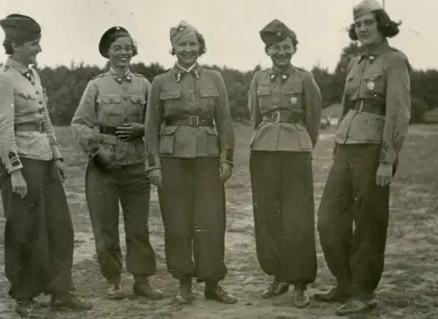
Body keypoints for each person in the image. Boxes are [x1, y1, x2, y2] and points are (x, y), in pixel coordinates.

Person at [0, 13, 92, 317]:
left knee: (60, 227)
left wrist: (56, 156)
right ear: (16, 44)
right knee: (24, 230)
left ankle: (61, 291)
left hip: (44, 160)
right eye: (34, 44)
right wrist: (15, 171)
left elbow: (44, 118)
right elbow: (2, 131)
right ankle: (23, 296)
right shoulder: (2, 79)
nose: (39, 49)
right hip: (20, 162)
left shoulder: (33, 75)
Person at [314, 0, 411, 316]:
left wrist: (387, 158)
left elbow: (397, 112)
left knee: (369, 223)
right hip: (348, 146)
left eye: (368, 23)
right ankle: (344, 282)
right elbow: (346, 106)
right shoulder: (355, 63)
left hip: (374, 150)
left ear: (382, 24)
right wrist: (339, 143)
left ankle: (364, 291)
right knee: (328, 220)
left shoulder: (394, 61)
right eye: (358, 25)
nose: (362, 28)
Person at [144, 20, 237, 305]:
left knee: (211, 221)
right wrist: (154, 165)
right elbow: (151, 126)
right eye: (182, 44)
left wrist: (226, 158)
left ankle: (212, 283)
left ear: (200, 47)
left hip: (208, 159)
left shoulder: (215, 78)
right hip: (172, 160)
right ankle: (183, 283)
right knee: (177, 222)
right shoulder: (160, 82)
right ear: (173, 48)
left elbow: (224, 121)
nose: (188, 49)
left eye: (192, 44)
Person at [71, 26, 163, 300]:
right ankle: (113, 280)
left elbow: (158, 122)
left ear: (133, 51)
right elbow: (79, 124)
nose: (123, 52)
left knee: (138, 227)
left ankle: (142, 280)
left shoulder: (145, 85)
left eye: (128, 47)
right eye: (117, 48)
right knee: (105, 227)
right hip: (104, 168)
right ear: (107, 52)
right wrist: (97, 152)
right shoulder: (96, 85)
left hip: (136, 166)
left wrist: (142, 129)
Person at [248, 19, 322, 308]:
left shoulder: (305, 79)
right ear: (268, 51)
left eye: (287, 46)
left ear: (294, 48)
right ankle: (278, 275)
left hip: (296, 153)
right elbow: (255, 116)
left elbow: (313, 120)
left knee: (297, 217)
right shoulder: (258, 79)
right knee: (268, 215)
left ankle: (300, 281)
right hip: (264, 150)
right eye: (276, 48)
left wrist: (303, 144)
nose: (282, 52)